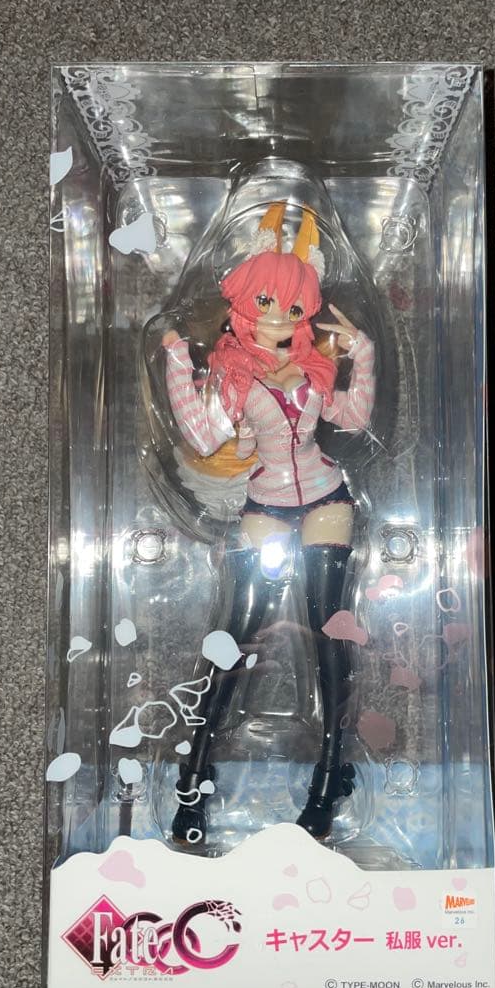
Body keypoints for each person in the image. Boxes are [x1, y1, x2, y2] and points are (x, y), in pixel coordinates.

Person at [162, 201, 375, 845]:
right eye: (266, 303)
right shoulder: (232, 376)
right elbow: (203, 436)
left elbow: (353, 420)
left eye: (293, 307)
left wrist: (362, 354)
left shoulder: (313, 372)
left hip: (326, 494)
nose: (279, 318)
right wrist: (178, 362)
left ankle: (330, 775)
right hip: (265, 500)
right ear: (242, 303)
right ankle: (193, 778)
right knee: (236, 631)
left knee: (329, 633)